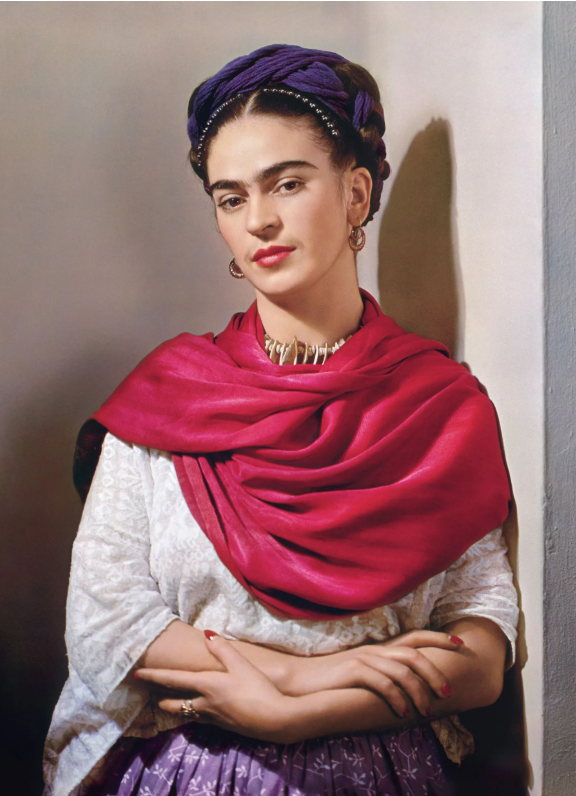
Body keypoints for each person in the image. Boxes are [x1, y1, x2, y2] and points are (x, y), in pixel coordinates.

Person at [43, 43, 519, 796]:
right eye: (231, 198)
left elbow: (481, 651)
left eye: (287, 184)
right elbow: (107, 626)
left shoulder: (440, 407)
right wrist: (321, 674)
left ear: (356, 195)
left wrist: (294, 715)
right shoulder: (169, 396)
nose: (258, 220)